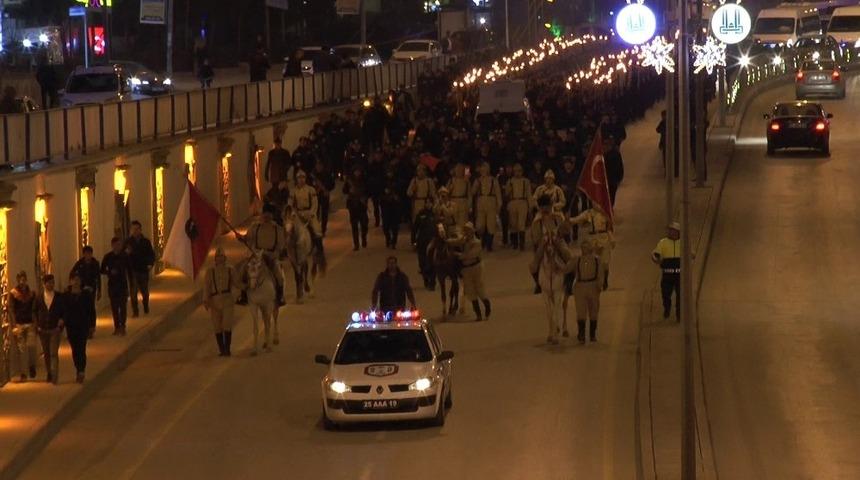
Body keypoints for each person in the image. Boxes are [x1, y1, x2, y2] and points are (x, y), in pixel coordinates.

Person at [244, 206, 287, 306]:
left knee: (279, 276)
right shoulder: (255, 227)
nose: (266, 216)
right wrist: (242, 238)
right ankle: (244, 295)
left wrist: (276, 253)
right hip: (257, 255)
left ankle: (280, 296)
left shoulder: (277, 229)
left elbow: (281, 244)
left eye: (269, 214)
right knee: (245, 270)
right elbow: (249, 238)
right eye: (265, 214)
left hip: (271, 256)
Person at [449, 223, 491, 321]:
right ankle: (478, 314)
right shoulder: (464, 240)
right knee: (470, 292)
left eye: (468, 230)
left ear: (472, 231)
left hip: (476, 268)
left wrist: (457, 255)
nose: (466, 233)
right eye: (465, 231)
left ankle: (487, 306)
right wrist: (446, 240)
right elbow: (455, 242)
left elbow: (469, 255)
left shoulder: (476, 243)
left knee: (479, 289)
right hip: (466, 269)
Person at [203, 247, 240, 356]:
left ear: (225, 258)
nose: (220, 259)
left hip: (227, 299)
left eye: (222, 257)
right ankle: (221, 349)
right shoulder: (210, 272)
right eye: (218, 257)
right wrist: (205, 299)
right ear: (215, 259)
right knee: (217, 326)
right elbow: (207, 287)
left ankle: (227, 349)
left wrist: (241, 291)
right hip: (215, 301)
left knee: (227, 324)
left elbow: (237, 283)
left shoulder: (230, 270)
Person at [529, 194, 569, 294]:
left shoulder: (558, 216)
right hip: (544, 243)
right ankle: (538, 284)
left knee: (568, 256)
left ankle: (569, 282)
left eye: (547, 206)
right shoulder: (537, 220)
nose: (545, 208)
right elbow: (535, 238)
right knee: (533, 265)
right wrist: (543, 241)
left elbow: (566, 232)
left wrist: (565, 227)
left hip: (557, 241)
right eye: (542, 206)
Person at [569, 206, 613, 290]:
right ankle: (595, 280)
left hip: (604, 239)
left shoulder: (605, 213)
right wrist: (569, 219)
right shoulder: (588, 214)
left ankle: (605, 280)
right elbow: (576, 220)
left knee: (605, 262)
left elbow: (610, 225)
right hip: (592, 241)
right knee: (593, 262)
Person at [571, 240, 606, 343]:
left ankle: (592, 334)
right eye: (582, 247)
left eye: (586, 247)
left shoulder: (597, 260)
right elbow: (567, 268)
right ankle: (581, 335)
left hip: (593, 286)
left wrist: (600, 285)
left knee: (593, 311)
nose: (583, 249)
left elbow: (600, 273)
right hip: (580, 287)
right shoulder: (577, 260)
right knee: (581, 312)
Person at [64, 271, 95, 384]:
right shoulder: (66, 296)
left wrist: (92, 325)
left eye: (78, 280)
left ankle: (81, 370)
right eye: (74, 280)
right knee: (74, 349)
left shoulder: (86, 295)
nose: (76, 282)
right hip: (71, 326)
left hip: (83, 325)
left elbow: (91, 311)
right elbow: (64, 311)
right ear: (70, 281)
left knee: (81, 348)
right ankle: (77, 367)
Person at [33, 274, 63, 383]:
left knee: (53, 352)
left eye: (52, 282)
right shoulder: (39, 298)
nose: (51, 285)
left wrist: (61, 322)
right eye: (49, 282)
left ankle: (54, 375)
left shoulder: (59, 297)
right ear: (44, 284)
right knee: (46, 352)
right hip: (43, 329)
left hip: (55, 328)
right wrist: (37, 325)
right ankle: (49, 372)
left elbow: (64, 311)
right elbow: (34, 311)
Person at [8, 271, 37, 381]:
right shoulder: (14, 293)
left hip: (29, 323)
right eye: (20, 280)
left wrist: (35, 322)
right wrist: (14, 324)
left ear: (26, 280)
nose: (22, 282)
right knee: (22, 350)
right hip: (19, 323)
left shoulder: (31, 293)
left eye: (24, 279)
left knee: (31, 346)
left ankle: (32, 366)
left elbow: (34, 309)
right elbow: (11, 309)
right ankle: (24, 373)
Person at [125, 221, 156, 317]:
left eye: (137, 229)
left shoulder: (145, 242)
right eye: (133, 229)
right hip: (133, 269)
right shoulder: (128, 242)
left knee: (145, 292)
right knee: (133, 292)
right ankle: (135, 311)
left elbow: (151, 254)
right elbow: (123, 255)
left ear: (140, 230)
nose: (135, 231)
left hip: (143, 269)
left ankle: (146, 306)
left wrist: (150, 264)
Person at [652, 222, 681, 320]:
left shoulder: (683, 243)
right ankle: (667, 308)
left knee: (680, 295)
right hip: (667, 273)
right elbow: (655, 254)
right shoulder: (663, 242)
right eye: (670, 230)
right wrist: (656, 259)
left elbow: (691, 253)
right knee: (665, 293)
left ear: (678, 232)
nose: (671, 233)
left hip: (679, 274)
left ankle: (679, 313)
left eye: (674, 231)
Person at [290, 170, 324, 254]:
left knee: (316, 230)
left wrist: (312, 213)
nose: (301, 180)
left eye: (303, 177)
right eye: (299, 178)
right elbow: (290, 204)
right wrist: (293, 213)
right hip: (298, 214)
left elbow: (315, 203)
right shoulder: (293, 191)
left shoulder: (311, 190)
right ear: (296, 179)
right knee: (289, 230)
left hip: (309, 213)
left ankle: (319, 250)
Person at [101, 237, 130, 335]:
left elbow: (129, 269)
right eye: (116, 245)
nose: (118, 247)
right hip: (112, 285)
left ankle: (123, 326)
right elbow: (102, 270)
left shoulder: (124, 256)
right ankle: (116, 326)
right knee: (114, 307)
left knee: (123, 307)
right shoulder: (108, 257)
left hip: (122, 284)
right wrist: (109, 272)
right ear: (112, 245)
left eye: (119, 245)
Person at [472, 162, 502, 251]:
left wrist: (499, 205)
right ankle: (483, 241)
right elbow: (472, 192)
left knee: (491, 224)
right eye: (482, 168)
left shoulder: (494, 180)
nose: (483, 170)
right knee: (480, 225)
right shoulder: (478, 180)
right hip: (481, 203)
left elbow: (498, 193)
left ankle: (488, 245)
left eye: (485, 168)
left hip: (491, 203)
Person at [505, 163, 532, 250]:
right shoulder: (510, 181)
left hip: (522, 202)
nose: (517, 173)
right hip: (512, 202)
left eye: (519, 171)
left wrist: (530, 206)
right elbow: (506, 194)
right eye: (516, 171)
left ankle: (521, 244)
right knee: (513, 224)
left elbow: (529, 194)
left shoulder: (526, 181)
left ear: (522, 171)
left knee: (521, 223)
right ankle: (514, 243)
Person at [407, 164, 436, 245]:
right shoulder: (414, 181)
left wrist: (434, 203)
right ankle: (415, 241)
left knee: (426, 223)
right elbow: (408, 193)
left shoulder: (429, 181)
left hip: (425, 204)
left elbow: (433, 193)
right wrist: (413, 189)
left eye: (421, 170)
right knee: (416, 223)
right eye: (418, 171)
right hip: (416, 204)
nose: (420, 172)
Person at [343, 166, 370, 250]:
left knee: (364, 224)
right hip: (353, 204)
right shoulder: (349, 180)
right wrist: (349, 189)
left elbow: (369, 191)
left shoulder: (364, 180)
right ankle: (356, 244)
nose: (357, 173)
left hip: (362, 205)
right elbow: (344, 190)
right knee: (354, 225)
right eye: (356, 171)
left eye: (358, 171)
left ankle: (364, 238)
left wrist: (364, 197)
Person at [380, 170, 403, 249]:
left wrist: (396, 196)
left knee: (395, 226)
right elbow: (378, 192)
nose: (390, 173)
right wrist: (384, 193)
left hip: (395, 206)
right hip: (385, 205)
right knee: (386, 225)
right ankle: (388, 238)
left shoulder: (398, 181)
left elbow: (401, 191)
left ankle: (394, 242)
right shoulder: (383, 182)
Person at [447, 164, 471, 229]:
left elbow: (469, 194)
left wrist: (469, 206)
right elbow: (445, 193)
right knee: (453, 222)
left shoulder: (466, 181)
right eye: (457, 170)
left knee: (463, 223)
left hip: (463, 203)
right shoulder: (451, 180)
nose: (459, 171)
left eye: (460, 170)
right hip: (453, 203)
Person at [604, 137, 624, 207]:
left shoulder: (616, 154)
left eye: (607, 145)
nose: (606, 147)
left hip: (613, 180)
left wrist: (619, 177)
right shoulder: (602, 155)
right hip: (604, 180)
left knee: (611, 196)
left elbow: (620, 166)